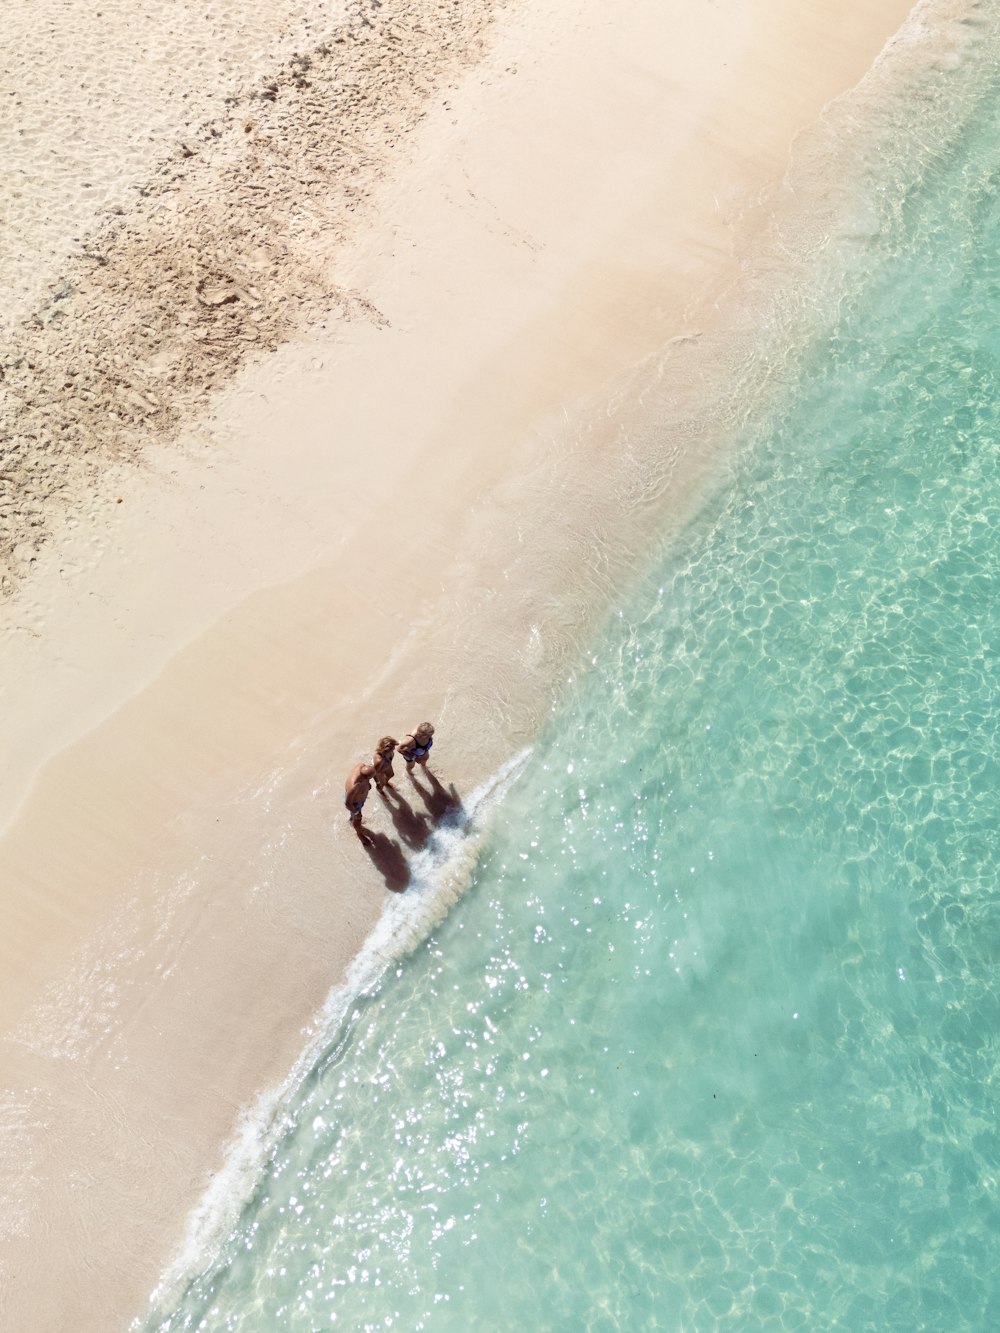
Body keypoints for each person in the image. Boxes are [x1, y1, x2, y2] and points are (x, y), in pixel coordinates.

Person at [344, 761, 375, 839]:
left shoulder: (360, 766)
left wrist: (368, 784)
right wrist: (356, 812)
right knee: (358, 819)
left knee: (354, 817)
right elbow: (347, 804)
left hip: (355, 799)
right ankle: (359, 834)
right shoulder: (355, 787)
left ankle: (351, 819)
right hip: (354, 804)